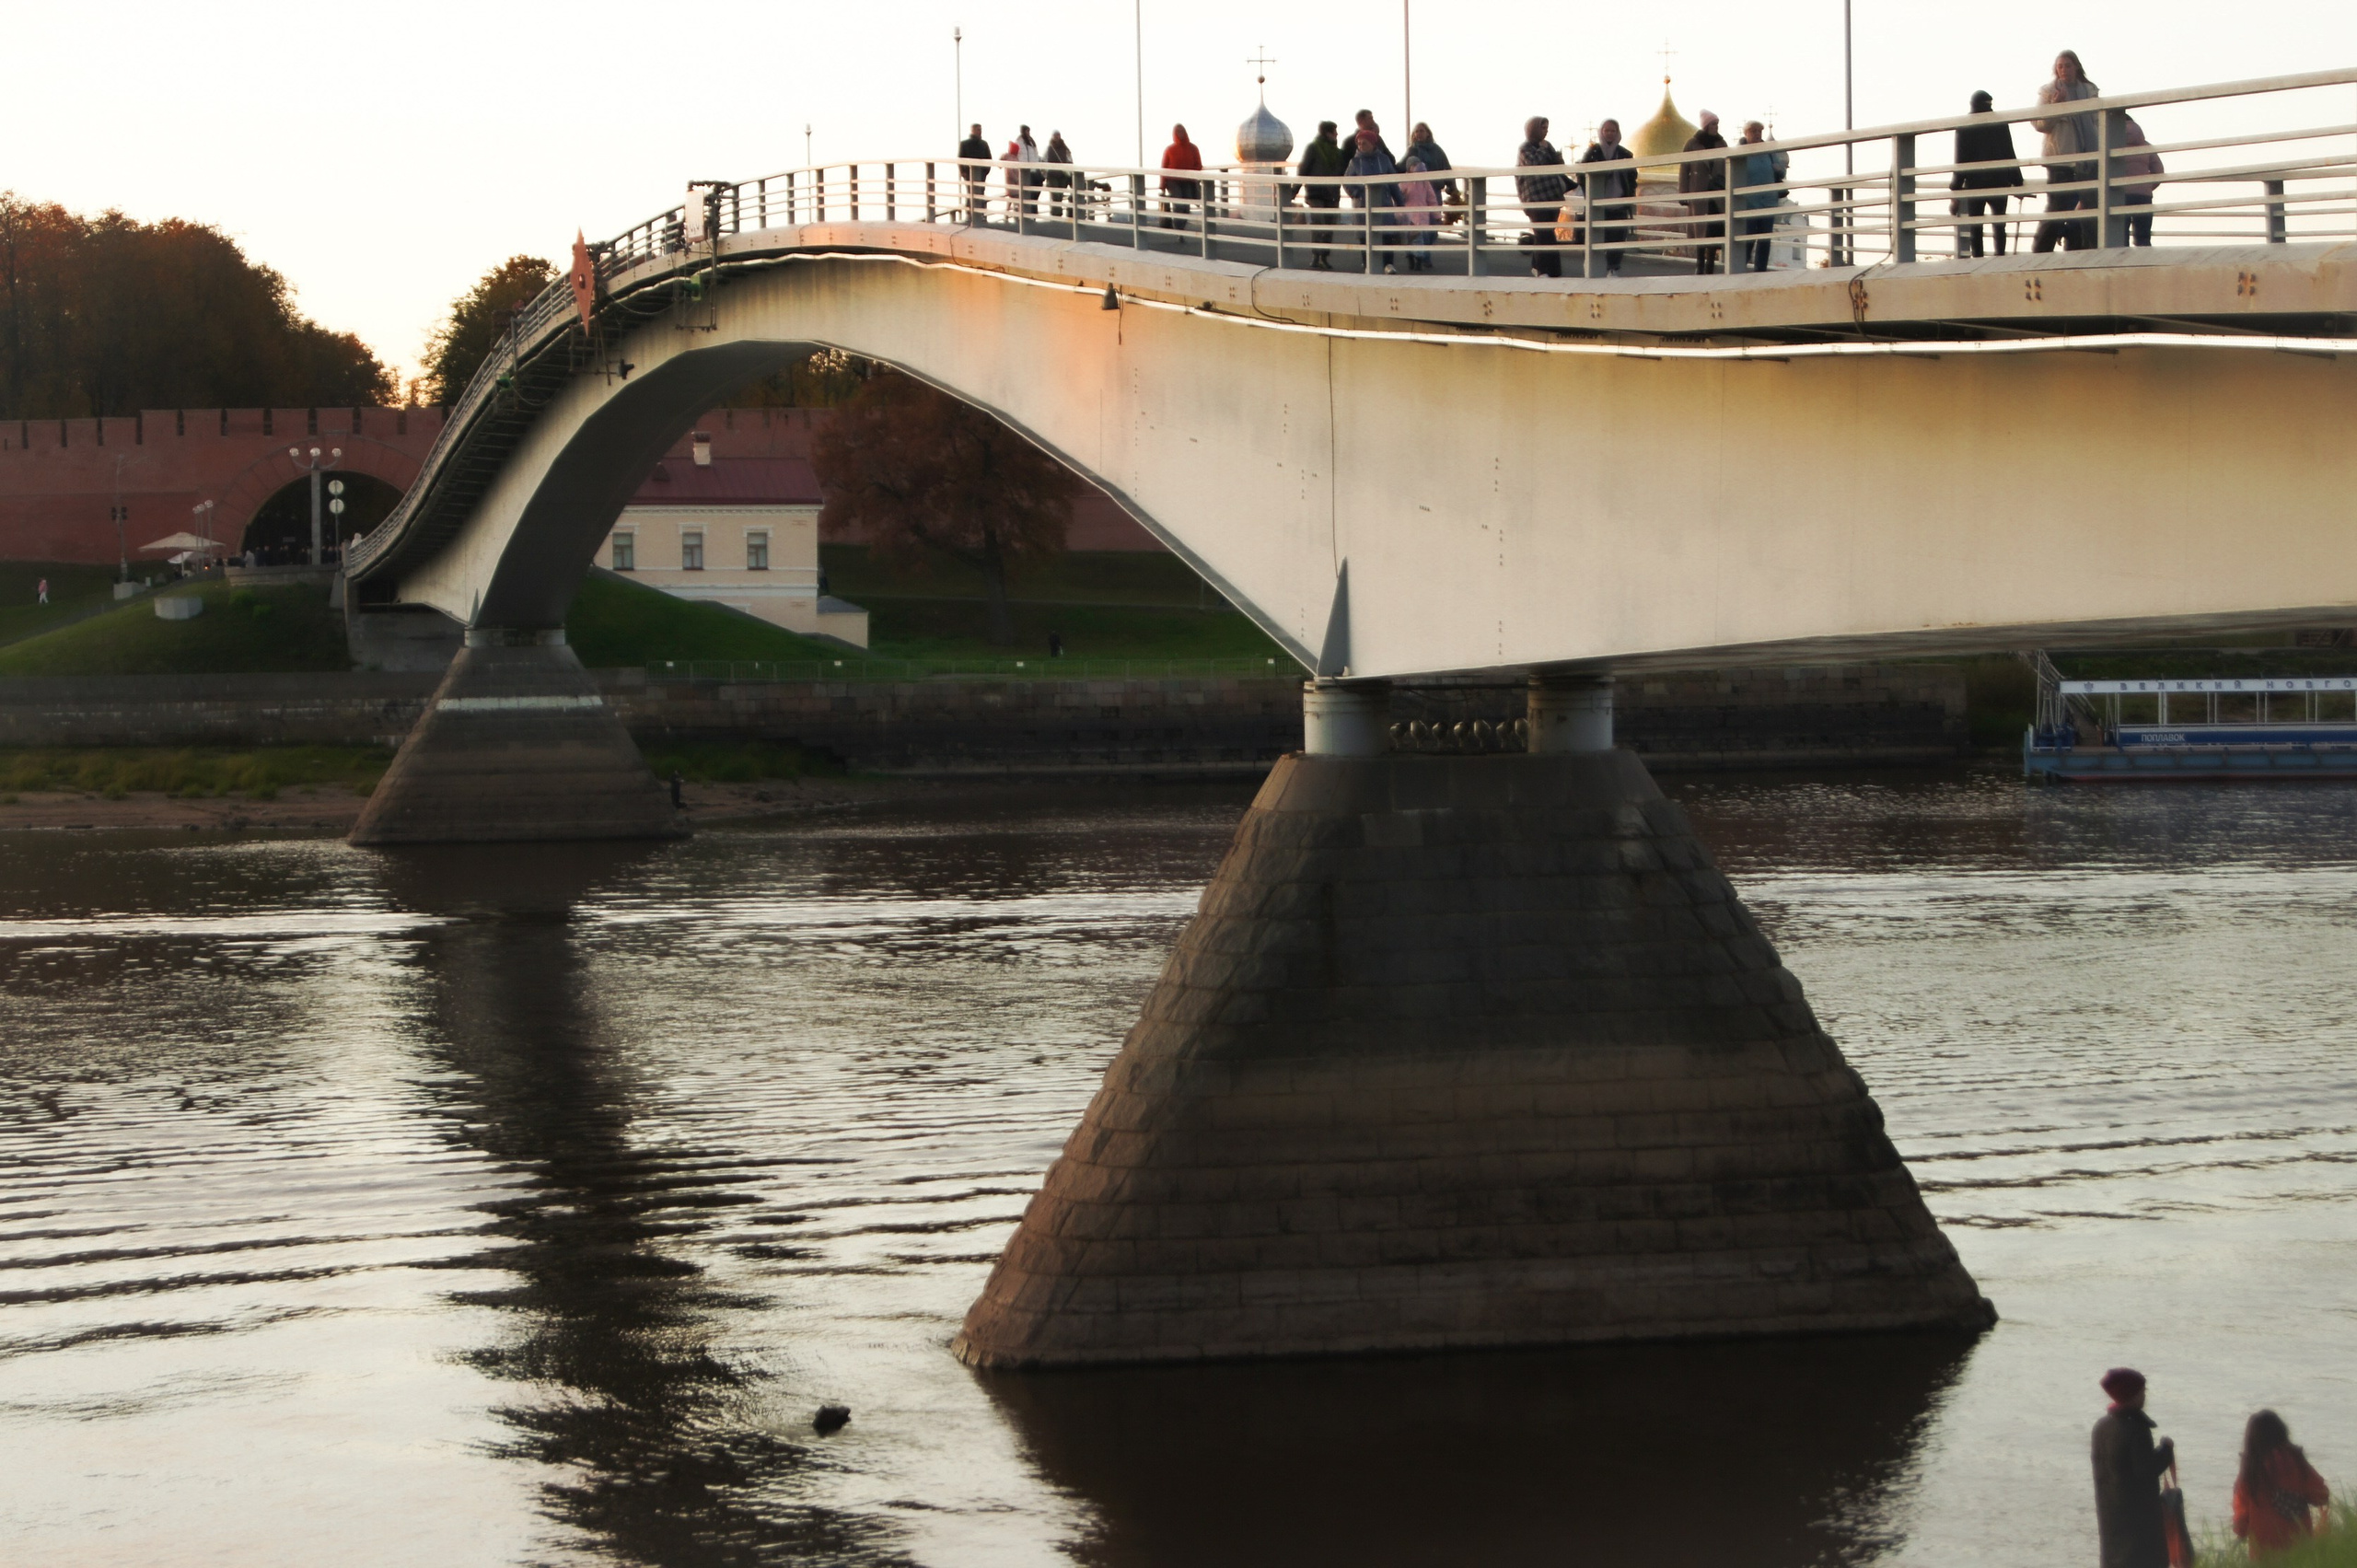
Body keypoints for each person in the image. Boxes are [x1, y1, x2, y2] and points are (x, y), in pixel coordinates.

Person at [2093, 1367, 2177, 1568]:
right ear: (2132, 1395)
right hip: (2139, 1526)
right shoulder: (2136, 1429)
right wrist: (2166, 1450)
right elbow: (2146, 1471)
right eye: (2142, 1391)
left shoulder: (2102, 1427)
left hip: (2111, 1520)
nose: (2145, 1395)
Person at [2233, 1410, 2329, 1559]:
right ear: (2283, 1433)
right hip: (2301, 1553)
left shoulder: (2250, 1472)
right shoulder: (2297, 1462)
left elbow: (2240, 1527)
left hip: (2264, 1558)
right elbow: (2322, 1496)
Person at [2033, 50, 2101, 253]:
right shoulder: (2048, 91)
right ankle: (2041, 252)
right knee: (2057, 208)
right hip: (2060, 159)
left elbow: (2098, 122)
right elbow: (2040, 124)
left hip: (2088, 157)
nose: (2064, 70)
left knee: (2089, 206)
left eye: (2068, 65)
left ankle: (2086, 251)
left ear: (2076, 67)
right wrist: (2056, 105)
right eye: (2060, 66)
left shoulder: (2089, 91)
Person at [1952, 90, 2026, 257]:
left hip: (1975, 183)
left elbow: (1961, 160)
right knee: (1999, 224)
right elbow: (2009, 152)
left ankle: (1978, 259)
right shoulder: (2000, 123)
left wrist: (1955, 188)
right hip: (1999, 180)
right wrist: (2017, 182)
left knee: (1975, 226)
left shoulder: (1964, 127)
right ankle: (2000, 257)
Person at [1580, 119, 1637, 275]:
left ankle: (1613, 268)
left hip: (1618, 203)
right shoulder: (1593, 153)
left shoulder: (1624, 154)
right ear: (1601, 132)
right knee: (1594, 237)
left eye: (1613, 131)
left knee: (1617, 237)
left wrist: (1629, 196)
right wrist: (1589, 194)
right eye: (1607, 131)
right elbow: (1582, 173)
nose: (1610, 134)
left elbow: (1632, 177)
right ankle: (1591, 268)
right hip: (1598, 203)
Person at [1515, 116, 1569, 278]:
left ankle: (1540, 267)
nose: (1546, 131)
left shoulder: (1547, 146)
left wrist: (1557, 157)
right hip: (1535, 199)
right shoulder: (1525, 148)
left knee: (1546, 233)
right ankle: (1546, 270)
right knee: (1544, 234)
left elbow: (1558, 164)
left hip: (1551, 196)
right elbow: (1534, 164)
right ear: (1534, 129)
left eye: (1546, 128)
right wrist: (1544, 150)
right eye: (1543, 128)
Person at [1295, 121, 1351, 269]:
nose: (1337, 134)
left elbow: (1344, 173)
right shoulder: (1313, 148)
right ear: (1327, 133)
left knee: (1329, 226)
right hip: (1316, 193)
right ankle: (1316, 256)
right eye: (1334, 131)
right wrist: (1294, 190)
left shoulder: (1338, 153)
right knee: (1319, 224)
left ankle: (1323, 257)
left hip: (1332, 194)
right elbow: (1304, 169)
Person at [1679, 110, 1730, 273]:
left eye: (1717, 124)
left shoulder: (1721, 144)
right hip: (1699, 192)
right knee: (1701, 230)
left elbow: (1729, 167)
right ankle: (1699, 264)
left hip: (1717, 194)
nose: (1716, 127)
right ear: (1706, 125)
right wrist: (1683, 193)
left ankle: (1710, 265)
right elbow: (1684, 169)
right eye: (1713, 124)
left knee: (1715, 229)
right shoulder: (1693, 144)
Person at [1344, 125, 1400, 272]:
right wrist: (1356, 193)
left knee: (1386, 234)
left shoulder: (1384, 160)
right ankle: (1367, 263)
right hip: (1362, 206)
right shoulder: (1354, 162)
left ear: (1373, 144)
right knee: (1365, 236)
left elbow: (1393, 181)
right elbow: (1347, 181)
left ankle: (1388, 264)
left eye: (1364, 143)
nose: (1361, 146)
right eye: (1359, 143)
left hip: (1384, 203)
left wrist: (1400, 201)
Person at [1736, 121, 1785, 273]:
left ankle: (1760, 270)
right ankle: (1739, 268)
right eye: (1754, 131)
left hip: (1768, 201)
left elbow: (1782, 172)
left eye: (1759, 131)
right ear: (1746, 134)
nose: (1757, 134)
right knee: (1748, 238)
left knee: (1764, 239)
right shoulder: (1741, 152)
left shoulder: (1768, 151)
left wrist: (1779, 169)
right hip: (1750, 202)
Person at [2113, 113, 2164, 246]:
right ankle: (2144, 264)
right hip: (2144, 196)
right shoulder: (2146, 146)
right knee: (2143, 237)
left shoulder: (2113, 146)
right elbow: (2159, 172)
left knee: (2120, 238)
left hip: (2121, 196)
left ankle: (2122, 265)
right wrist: (2146, 186)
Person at [1399, 154, 1441, 271]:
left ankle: (1419, 260)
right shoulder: (1404, 181)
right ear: (1409, 168)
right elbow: (1398, 197)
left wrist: (1437, 215)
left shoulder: (1424, 182)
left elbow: (1431, 199)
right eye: (1413, 165)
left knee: (1420, 240)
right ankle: (1410, 258)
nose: (1416, 167)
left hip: (1422, 215)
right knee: (1408, 240)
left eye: (1417, 164)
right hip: (1408, 217)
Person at [1160, 124, 1202, 229]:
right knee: (1179, 205)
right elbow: (1163, 168)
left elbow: (1199, 165)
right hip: (1172, 181)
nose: (1180, 133)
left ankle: (1181, 229)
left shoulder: (1193, 148)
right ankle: (1178, 229)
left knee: (1186, 207)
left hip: (1187, 181)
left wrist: (1190, 173)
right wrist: (1162, 184)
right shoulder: (1169, 150)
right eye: (1178, 131)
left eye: (1182, 131)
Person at [958, 123, 992, 223]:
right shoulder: (964, 144)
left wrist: (986, 171)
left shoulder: (984, 144)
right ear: (972, 130)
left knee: (980, 192)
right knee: (970, 193)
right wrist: (963, 171)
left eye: (980, 129)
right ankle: (969, 214)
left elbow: (989, 158)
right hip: (969, 173)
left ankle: (981, 214)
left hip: (981, 173)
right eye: (977, 129)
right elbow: (960, 158)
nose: (979, 131)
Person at [1043, 131, 1074, 220]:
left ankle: (1057, 215)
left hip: (1062, 175)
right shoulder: (1049, 148)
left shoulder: (1065, 148)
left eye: (1058, 135)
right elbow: (1043, 161)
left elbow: (1070, 160)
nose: (1057, 137)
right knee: (1056, 196)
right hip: (1052, 175)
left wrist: (1069, 170)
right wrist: (1046, 175)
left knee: (1059, 195)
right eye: (1055, 135)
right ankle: (1056, 215)